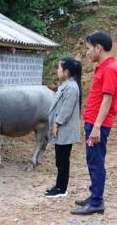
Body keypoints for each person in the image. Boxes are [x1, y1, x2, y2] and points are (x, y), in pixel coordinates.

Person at [71, 31, 117, 215]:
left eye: (89, 48)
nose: (87, 52)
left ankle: (97, 202)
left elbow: (107, 99)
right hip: (92, 124)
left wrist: (97, 126)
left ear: (98, 47)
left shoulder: (110, 68)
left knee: (96, 161)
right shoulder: (102, 66)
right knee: (92, 160)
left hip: (98, 126)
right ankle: (94, 195)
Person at [45, 58, 82, 198]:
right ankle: (59, 185)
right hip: (61, 129)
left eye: (59, 68)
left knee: (62, 160)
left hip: (64, 129)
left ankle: (61, 189)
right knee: (60, 159)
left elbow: (66, 110)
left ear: (66, 72)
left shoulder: (71, 87)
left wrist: (56, 124)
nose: (57, 70)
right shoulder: (66, 85)